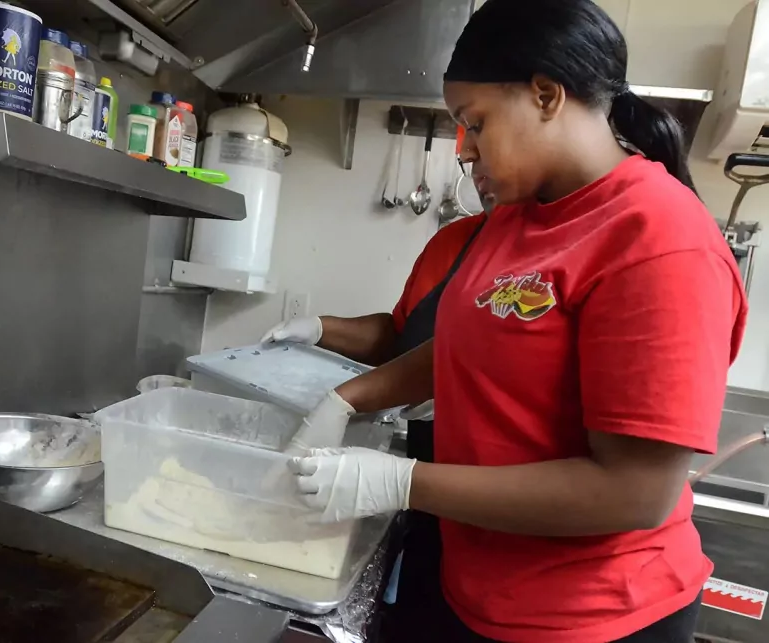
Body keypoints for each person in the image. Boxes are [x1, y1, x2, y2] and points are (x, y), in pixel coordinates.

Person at [285, 1, 749, 642]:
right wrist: (348, 396)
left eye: (475, 123)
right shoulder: (515, 217)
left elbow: (634, 493)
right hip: (480, 588)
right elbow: (472, 346)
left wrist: (402, 481)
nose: (467, 150)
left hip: (590, 618)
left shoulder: (659, 240)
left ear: (545, 95)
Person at [262, 211, 488, 632]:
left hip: (509, 528)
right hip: (435, 512)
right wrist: (322, 330)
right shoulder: (453, 241)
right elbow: (404, 338)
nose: (472, 163)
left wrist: (400, 481)